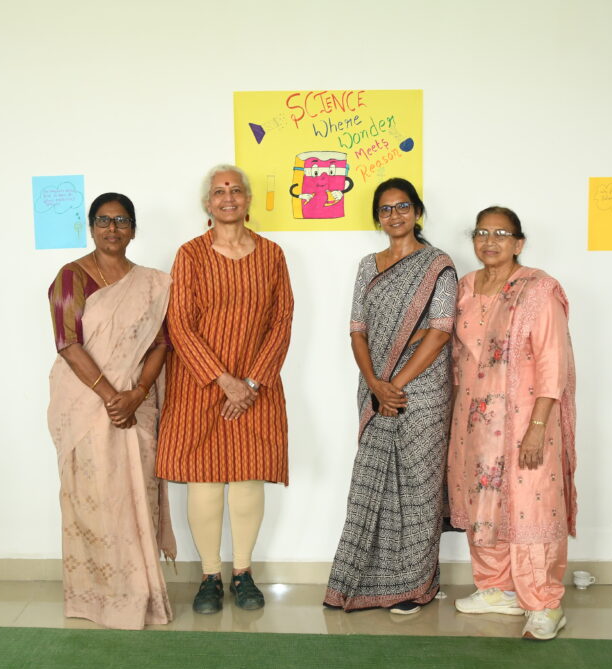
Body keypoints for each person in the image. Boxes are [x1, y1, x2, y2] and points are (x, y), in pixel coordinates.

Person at [156, 164, 294, 615]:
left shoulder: (272, 254)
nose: (228, 197)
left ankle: (243, 573)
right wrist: (224, 380)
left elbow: (281, 322)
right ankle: (210, 576)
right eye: (219, 191)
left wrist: (250, 383)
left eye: (236, 190)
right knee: (205, 478)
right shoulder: (190, 254)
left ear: (248, 200)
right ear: (207, 204)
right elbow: (180, 323)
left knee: (249, 475)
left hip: (257, 386)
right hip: (200, 385)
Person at [324, 178, 457, 614]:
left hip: (422, 392)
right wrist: (375, 383)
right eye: (385, 209)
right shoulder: (369, 265)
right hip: (375, 389)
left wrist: (395, 385)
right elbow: (356, 330)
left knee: (418, 486)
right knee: (374, 484)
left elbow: (440, 332)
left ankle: (415, 586)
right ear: (377, 217)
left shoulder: (438, 265)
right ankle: (365, 580)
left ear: (417, 212)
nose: (394, 215)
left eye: (402, 207)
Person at [46, 192, 176, 630]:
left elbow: (161, 344)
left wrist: (136, 394)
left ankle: (140, 594)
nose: (112, 229)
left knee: (135, 498)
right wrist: (110, 396)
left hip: (135, 408)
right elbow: (68, 344)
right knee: (94, 502)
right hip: (85, 405)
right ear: (91, 227)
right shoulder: (70, 277)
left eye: (121, 221)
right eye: (103, 220)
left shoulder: (154, 284)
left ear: (133, 230)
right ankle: (95, 598)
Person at [447, 206, 577, 640]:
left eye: (501, 234)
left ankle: (544, 603)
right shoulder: (465, 287)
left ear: (519, 243)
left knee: (531, 505)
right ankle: (497, 590)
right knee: (484, 504)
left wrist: (538, 428)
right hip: (476, 423)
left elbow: (553, 363)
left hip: (526, 420)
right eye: (482, 232)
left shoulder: (538, 290)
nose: (490, 241)